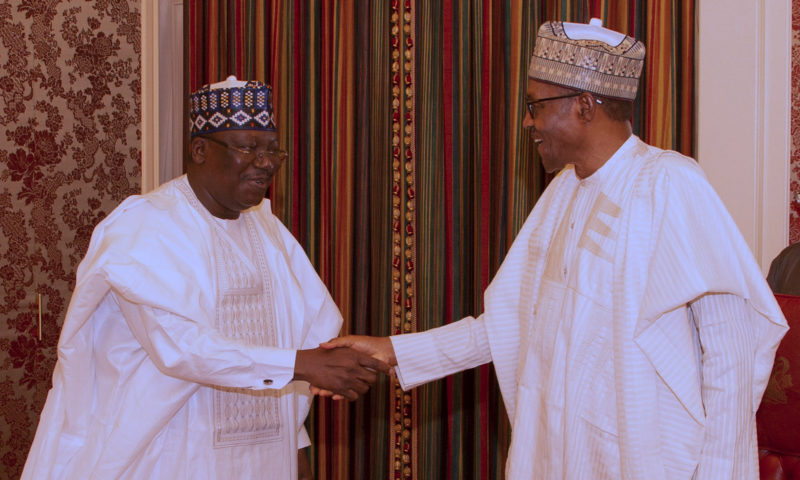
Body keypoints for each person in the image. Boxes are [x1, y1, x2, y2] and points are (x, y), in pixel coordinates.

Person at [323, 19, 788, 479]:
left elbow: (733, 347)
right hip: (557, 453)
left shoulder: (668, 182)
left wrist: (722, 473)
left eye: (535, 105)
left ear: (585, 105)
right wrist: (393, 351)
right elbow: (509, 323)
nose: (528, 121)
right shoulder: (563, 191)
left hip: (641, 458)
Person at [22, 76, 390, 480]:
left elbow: (303, 335)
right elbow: (181, 346)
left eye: (272, 151)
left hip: (263, 461)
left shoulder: (268, 230)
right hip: (162, 457)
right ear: (199, 150)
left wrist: (294, 444)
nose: (265, 163)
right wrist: (300, 364)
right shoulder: (146, 227)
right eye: (248, 148)